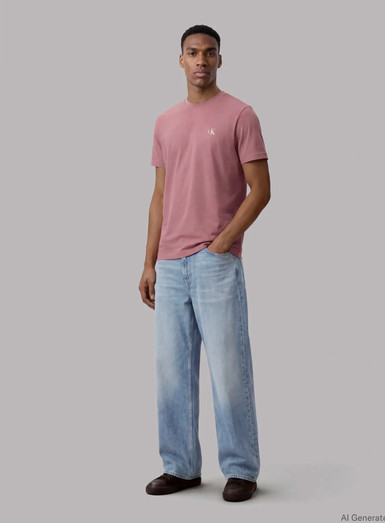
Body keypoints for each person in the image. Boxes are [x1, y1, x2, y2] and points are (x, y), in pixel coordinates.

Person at [139, 24, 271, 502]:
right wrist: (149, 262)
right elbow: (160, 195)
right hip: (171, 265)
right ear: (181, 60)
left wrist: (223, 243)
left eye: (209, 53)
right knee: (172, 371)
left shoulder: (240, 115)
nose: (201, 60)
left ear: (219, 59)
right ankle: (180, 466)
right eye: (193, 53)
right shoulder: (165, 121)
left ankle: (241, 469)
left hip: (216, 263)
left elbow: (261, 190)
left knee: (229, 368)